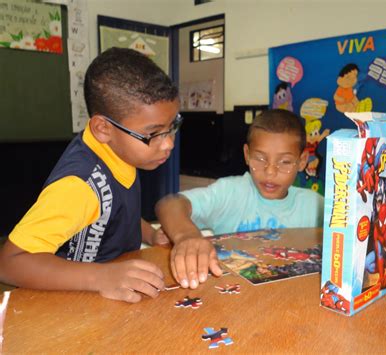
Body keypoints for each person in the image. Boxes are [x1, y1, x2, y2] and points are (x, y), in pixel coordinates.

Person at [0, 47, 181, 303]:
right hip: (67, 305)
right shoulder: (78, 187)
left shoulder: (120, 152)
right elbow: (10, 263)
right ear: (103, 129)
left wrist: (150, 234)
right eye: (154, 133)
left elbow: (114, 212)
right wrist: (102, 277)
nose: (168, 144)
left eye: (172, 126)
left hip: (107, 297)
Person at [156, 109, 324, 290]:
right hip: (234, 298)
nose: (270, 172)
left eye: (284, 162)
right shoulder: (230, 192)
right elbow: (169, 204)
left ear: (302, 161)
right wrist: (186, 236)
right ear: (247, 154)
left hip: (290, 299)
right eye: (260, 158)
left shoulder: (317, 205)